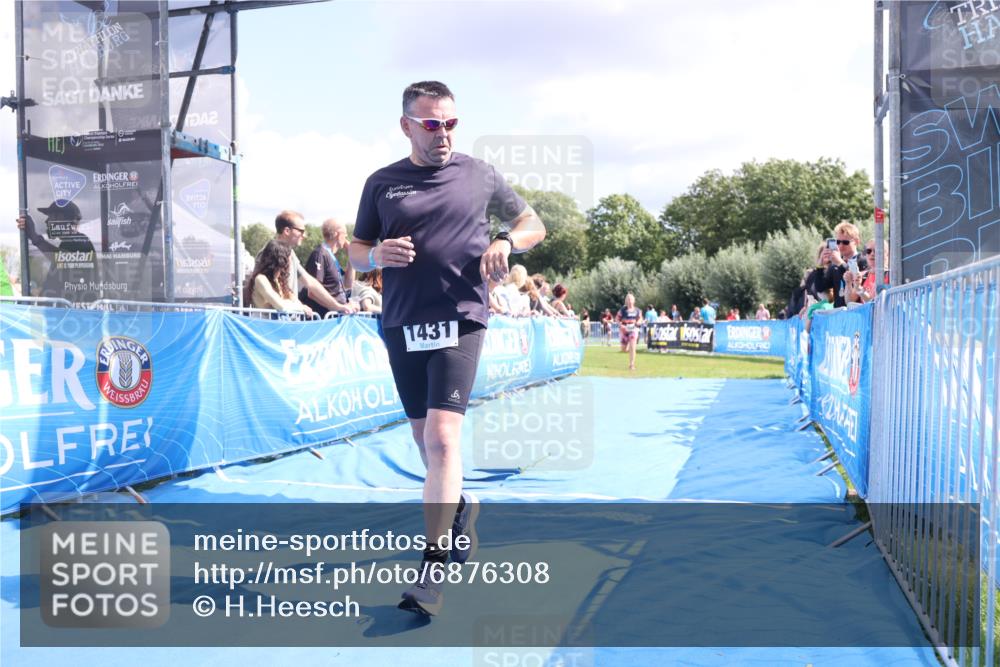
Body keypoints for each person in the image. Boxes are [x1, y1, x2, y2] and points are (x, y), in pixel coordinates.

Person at [348, 80, 545, 616]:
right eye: (432, 124)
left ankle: (432, 569)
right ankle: (460, 508)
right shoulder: (382, 183)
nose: (443, 134)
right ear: (407, 125)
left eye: (451, 123)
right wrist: (374, 256)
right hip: (402, 323)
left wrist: (506, 239)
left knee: (441, 439)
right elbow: (356, 249)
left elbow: (533, 223)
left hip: (461, 317)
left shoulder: (478, 174)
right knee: (424, 441)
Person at [263, 210, 353, 317]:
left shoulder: (291, 255)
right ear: (287, 231)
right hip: (271, 323)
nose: (304, 235)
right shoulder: (268, 254)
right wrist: (336, 307)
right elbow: (271, 290)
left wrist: (337, 306)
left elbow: (311, 282)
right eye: (301, 231)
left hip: (287, 321)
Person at [16, 202, 97, 299]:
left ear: (61, 219)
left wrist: (35, 238)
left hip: (70, 311)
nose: (46, 221)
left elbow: (63, 257)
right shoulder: (70, 242)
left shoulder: (78, 240)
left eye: (51, 217)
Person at [302, 217, 358, 317]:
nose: (346, 238)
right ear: (338, 234)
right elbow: (312, 292)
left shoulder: (331, 257)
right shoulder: (320, 254)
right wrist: (337, 307)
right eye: (345, 234)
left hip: (333, 317)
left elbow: (348, 284)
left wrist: (352, 255)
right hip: (322, 319)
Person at [244, 240, 309, 313]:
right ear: (281, 260)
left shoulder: (279, 280)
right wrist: (300, 307)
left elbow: (295, 301)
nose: (290, 261)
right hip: (263, 323)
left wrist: (300, 306)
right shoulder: (260, 279)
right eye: (289, 257)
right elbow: (281, 306)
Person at [823, 221, 867, 308]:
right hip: (840, 315)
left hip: (857, 313)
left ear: (856, 241)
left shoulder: (863, 261)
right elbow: (821, 287)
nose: (841, 246)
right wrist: (820, 265)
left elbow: (857, 282)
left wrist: (840, 263)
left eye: (845, 242)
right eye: (838, 242)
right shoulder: (835, 265)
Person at [617, 293, 642, 371]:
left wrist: (638, 322)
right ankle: (630, 349)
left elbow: (640, 318)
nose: (630, 301)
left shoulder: (637, 310)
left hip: (633, 329)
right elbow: (617, 319)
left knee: (633, 344)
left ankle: (631, 365)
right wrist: (620, 325)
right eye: (628, 299)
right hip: (624, 330)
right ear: (626, 301)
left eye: (631, 299)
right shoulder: (622, 310)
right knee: (623, 349)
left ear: (634, 301)